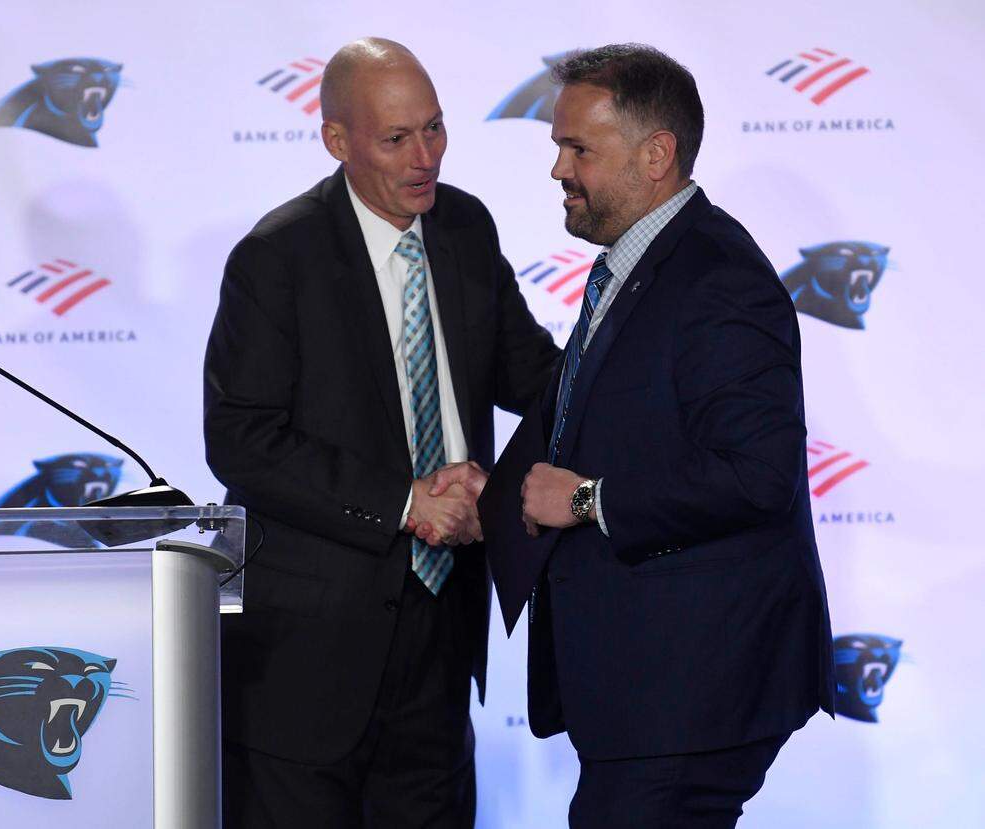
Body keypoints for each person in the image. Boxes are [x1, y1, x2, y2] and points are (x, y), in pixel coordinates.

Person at [203, 37, 559, 828]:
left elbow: (532, 377)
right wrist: (404, 502)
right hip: (306, 660)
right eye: (398, 138)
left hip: (441, 634)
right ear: (338, 141)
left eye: (435, 129)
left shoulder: (465, 227)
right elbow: (240, 437)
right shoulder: (276, 257)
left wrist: (634, 384)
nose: (425, 156)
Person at [477, 44, 836, 828]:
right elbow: (608, 417)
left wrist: (585, 497)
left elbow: (757, 473)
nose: (558, 169)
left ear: (656, 155)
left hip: (692, 695)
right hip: (649, 692)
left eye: (578, 148)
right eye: (557, 147)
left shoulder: (718, 277)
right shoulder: (642, 264)